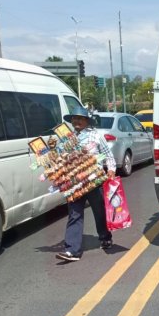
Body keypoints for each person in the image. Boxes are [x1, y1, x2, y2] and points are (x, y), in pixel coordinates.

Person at [56, 106, 117, 262]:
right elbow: (60, 157)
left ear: (86, 121)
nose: (76, 121)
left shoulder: (96, 136)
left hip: (94, 181)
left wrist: (111, 170)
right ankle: (72, 250)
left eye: (80, 118)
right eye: (74, 119)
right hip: (75, 183)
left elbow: (108, 156)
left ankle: (105, 236)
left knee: (99, 211)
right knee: (74, 214)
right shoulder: (67, 139)